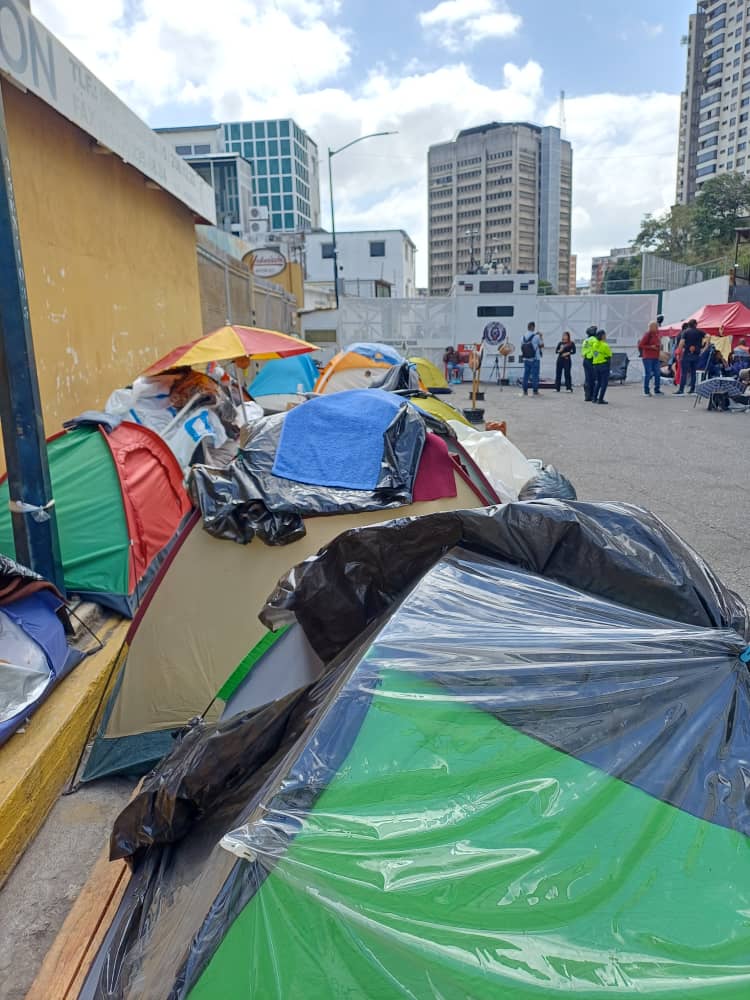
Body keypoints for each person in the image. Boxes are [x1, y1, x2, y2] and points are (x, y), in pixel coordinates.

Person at [675, 319, 706, 395]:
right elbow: (708, 336)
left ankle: (681, 389)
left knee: (684, 373)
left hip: (687, 354)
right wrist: (704, 347)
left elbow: (681, 343)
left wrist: (678, 352)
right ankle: (692, 389)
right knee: (693, 372)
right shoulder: (699, 332)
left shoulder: (685, 332)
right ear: (695, 324)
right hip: (696, 354)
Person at [638, 321, 663, 396]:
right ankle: (646, 391)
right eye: (656, 326)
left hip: (655, 357)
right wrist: (651, 347)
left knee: (657, 373)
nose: (657, 328)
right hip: (648, 357)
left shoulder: (656, 334)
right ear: (651, 327)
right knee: (648, 373)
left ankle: (657, 389)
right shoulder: (647, 334)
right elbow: (641, 345)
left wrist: (659, 346)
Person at [520, 321, 542, 396]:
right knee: (535, 375)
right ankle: (535, 391)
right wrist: (541, 336)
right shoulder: (536, 336)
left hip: (526, 358)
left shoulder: (522, 337)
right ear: (533, 327)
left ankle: (525, 391)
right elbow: (542, 345)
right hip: (535, 358)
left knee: (526, 375)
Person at [591, 329, 612, 404]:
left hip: (595, 365)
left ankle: (594, 398)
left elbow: (593, 354)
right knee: (604, 383)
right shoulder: (605, 345)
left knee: (598, 382)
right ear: (602, 336)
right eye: (605, 335)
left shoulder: (594, 345)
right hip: (603, 365)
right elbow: (609, 355)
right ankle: (600, 399)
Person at [581, 325, 599, 401]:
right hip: (592, 360)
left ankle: (587, 396)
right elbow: (595, 351)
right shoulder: (594, 340)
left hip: (585, 359)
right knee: (593, 379)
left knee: (587, 379)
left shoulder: (585, 341)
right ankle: (593, 396)